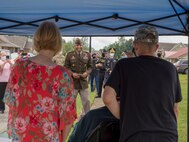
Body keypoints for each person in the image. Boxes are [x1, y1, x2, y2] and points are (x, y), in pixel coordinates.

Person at [103, 25, 182, 142]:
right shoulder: (171, 68)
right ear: (157, 47)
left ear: (135, 44)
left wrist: (123, 116)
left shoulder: (124, 65)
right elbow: (175, 108)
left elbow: (108, 97)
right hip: (167, 135)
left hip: (135, 135)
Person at [3, 21, 77, 142]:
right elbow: (68, 118)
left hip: (22, 135)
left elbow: (10, 101)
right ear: (58, 42)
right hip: (49, 137)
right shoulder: (63, 74)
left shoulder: (20, 66)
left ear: (37, 40)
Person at [64, 38, 92, 116]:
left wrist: (87, 72)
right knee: (71, 102)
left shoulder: (87, 54)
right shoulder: (69, 55)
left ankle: (86, 117)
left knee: (86, 101)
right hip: (73, 82)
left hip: (83, 82)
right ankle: (72, 118)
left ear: (82, 45)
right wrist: (72, 74)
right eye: (77, 45)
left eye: (80, 45)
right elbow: (66, 67)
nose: (78, 46)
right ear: (74, 45)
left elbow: (90, 67)